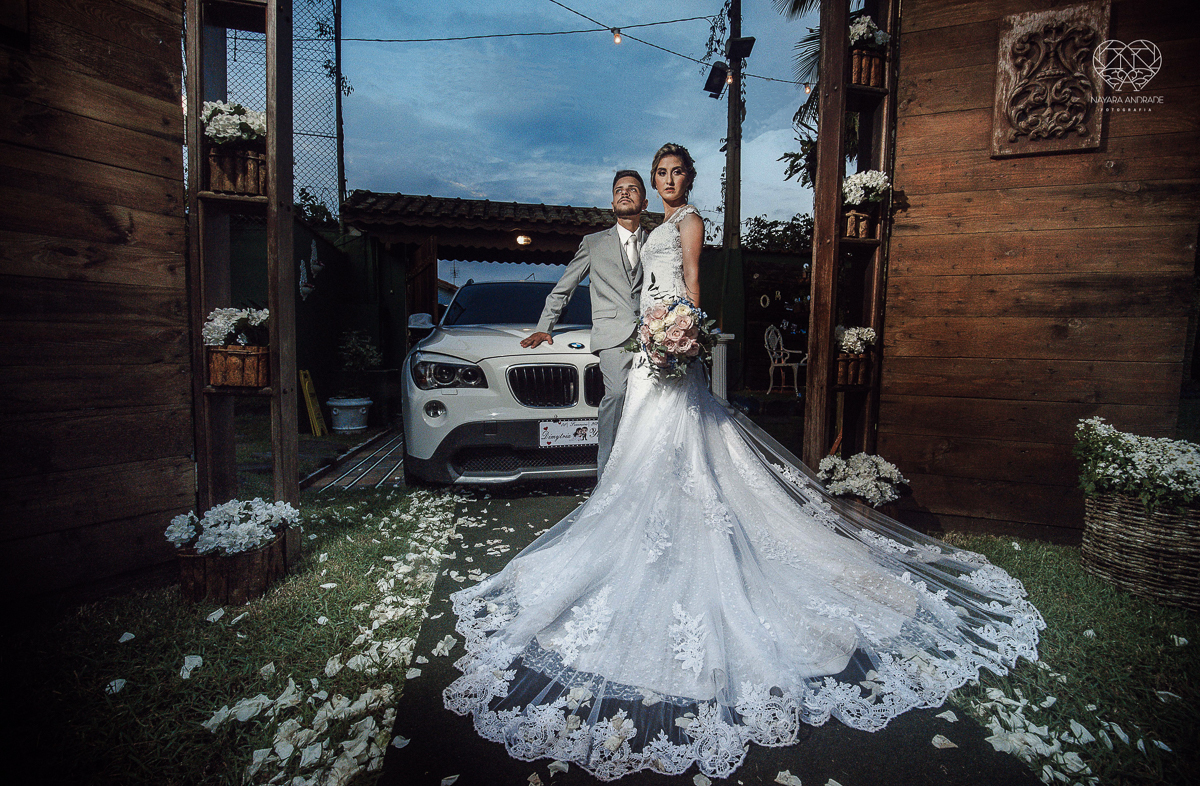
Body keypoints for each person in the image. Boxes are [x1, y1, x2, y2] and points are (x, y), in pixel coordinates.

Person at [445, 144, 1044, 781]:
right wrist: (644, 330)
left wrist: (683, 335)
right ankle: (638, 529)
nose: (669, 182)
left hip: (670, 348)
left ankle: (691, 536)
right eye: (662, 174)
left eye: (677, 174)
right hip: (646, 354)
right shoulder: (645, 229)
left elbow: (693, 287)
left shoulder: (691, 223)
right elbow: (631, 283)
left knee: (688, 453)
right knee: (640, 455)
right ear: (651, 183)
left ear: (687, 181)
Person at [521, 170, 648, 478]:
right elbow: (564, 286)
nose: (625, 193)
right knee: (617, 394)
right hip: (613, 336)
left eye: (632, 189)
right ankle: (606, 474)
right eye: (619, 189)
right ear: (612, 200)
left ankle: (642, 472)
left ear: (644, 201)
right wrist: (545, 325)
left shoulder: (655, 241)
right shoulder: (593, 243)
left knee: (651, 403)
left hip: (651, 334)